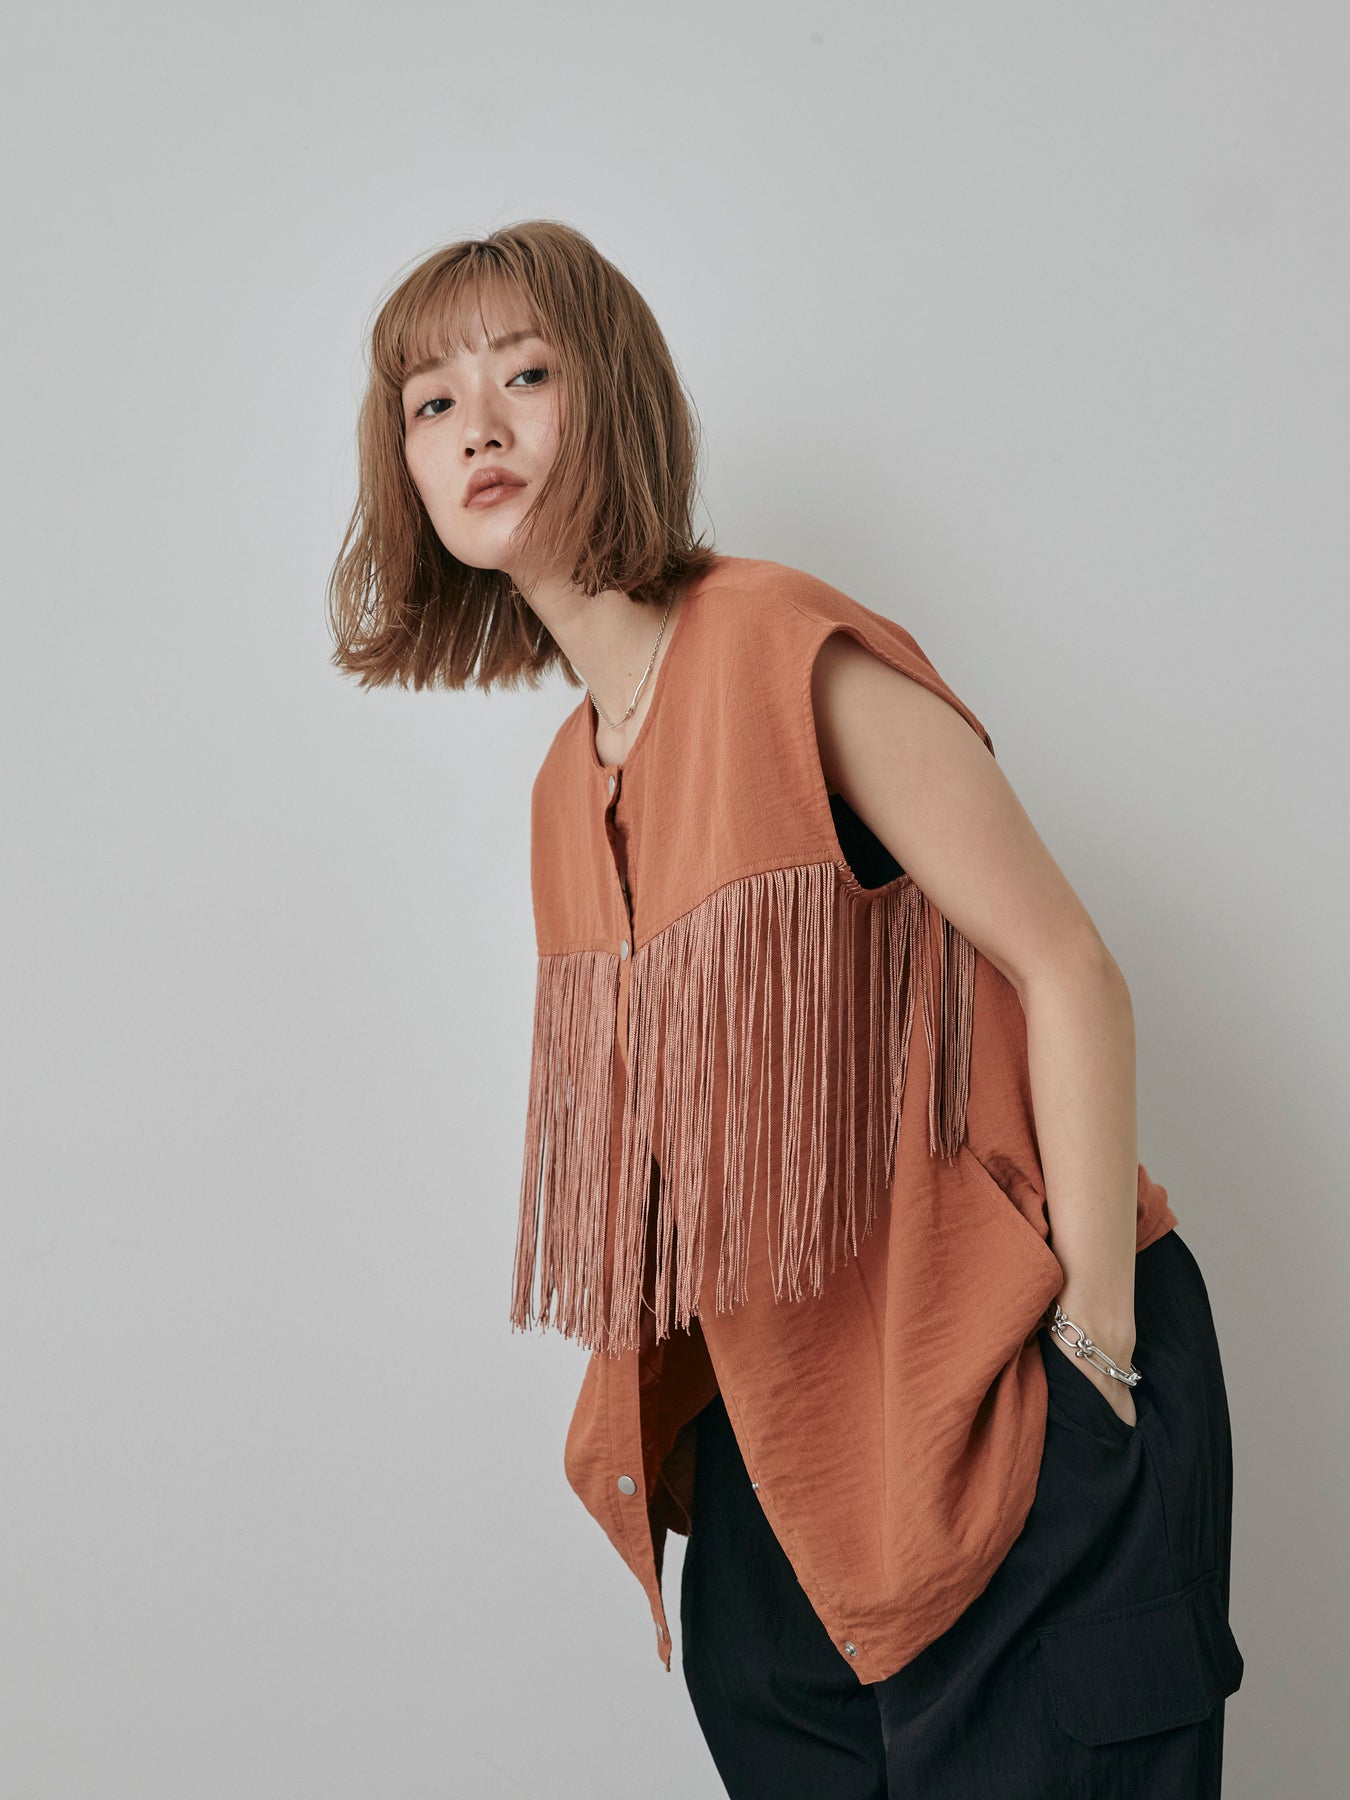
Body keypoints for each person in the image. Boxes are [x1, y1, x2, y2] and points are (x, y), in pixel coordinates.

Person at [328, 219, 1244, 1797]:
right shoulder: (564, 787)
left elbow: (1066, 966)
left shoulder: (774, 641)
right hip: (790, 1475)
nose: (476, 425)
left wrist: (1094, 1354)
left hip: (1008, 1400)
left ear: (610, 397)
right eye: (431, 402)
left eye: (524, 375)